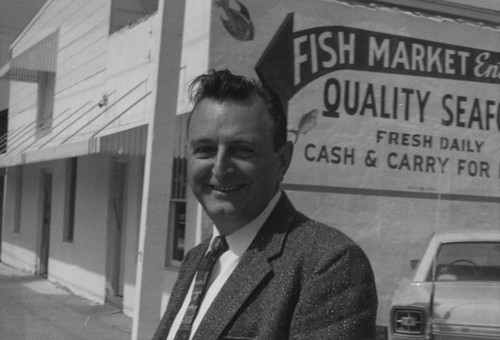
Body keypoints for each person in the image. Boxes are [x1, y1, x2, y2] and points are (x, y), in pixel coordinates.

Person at [153, 69, 377, 340]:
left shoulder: (329, 264)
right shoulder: (196, 259)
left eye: (242, 149)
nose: (220, 168)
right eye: (205, 149)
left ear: (282, 160)